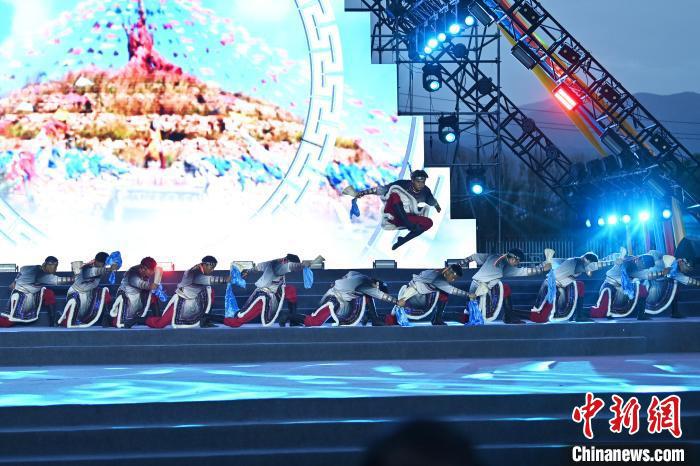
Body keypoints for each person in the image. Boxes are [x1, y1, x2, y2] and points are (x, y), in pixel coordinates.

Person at [347, 170, 441, 250]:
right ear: (412, 180)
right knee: (394, 195)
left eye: (423, 181)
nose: (421, 184)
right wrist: (362, 193)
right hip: (393, 213)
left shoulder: (425, 191)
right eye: (418, 181)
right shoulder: (401, 184)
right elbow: (382, 190)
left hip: (408, 216)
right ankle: (408, 224)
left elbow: (432, 201)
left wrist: (437, 206)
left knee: (429, 222)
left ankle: (403, 240)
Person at [223, 254, 324, 327]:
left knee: (290, 290)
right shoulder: (281, 266)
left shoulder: (273, 262)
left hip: (274, 292)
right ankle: (214, 318)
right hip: (263, 297)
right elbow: (292, 266)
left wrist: (248, 271)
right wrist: (306, 264)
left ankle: (293, 319)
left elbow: (257, 267)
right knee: (237, 322)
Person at [459, 248, 551, 324]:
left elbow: (525, 271)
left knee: (505, 289)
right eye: (518, 262)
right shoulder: (493, 257)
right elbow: (474, 257)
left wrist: (542, 268)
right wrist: (460, 264)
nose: (517, 264)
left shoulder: (507, 267)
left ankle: (509, 317)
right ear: (514, 259)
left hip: (487, 288)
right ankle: (463, 317)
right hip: (477, 287)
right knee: (471, 314)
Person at [146, 256, 229, 329]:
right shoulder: (194, 272)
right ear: (205, 265)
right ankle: (142, 320)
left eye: (213, 268)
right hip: (182, 299)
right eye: (211, 267)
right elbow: (204, 279)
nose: (212, 270)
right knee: (160, 324)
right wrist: (224, 279)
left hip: (195, 299)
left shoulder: (201, 271)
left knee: (210, 291)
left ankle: (206, 319)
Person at [304, 271, 397, 327]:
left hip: (345, 301)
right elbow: (380, 295)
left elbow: (349, 274)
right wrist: (396, 301)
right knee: (313, 322)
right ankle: (294, 317)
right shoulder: (366, 284)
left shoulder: (358, 276)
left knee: (366, 296)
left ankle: (374, 318)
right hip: (335, 299)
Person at [0, 256, 72, 327]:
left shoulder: (29, 268)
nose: (55, 269)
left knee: (48, 293)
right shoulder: (41, 275)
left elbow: (22, 271)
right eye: (53, 266)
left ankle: (53, 321)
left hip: (31, 291)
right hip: (22, 296)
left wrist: (15, 281)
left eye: (56, 266)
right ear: (46, 265)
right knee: (7, 322)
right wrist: (74, 279)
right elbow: (58, 281)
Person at [530, 252, 600, 323]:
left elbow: (555, 262)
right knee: (543, 315)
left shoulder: (574, 261)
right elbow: (584, 270)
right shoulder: (577, 263)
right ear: (586, 259)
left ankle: (578, 315)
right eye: (590, 264)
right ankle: (578, 316)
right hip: (553, 286)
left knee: (580, 285)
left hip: (557, 285)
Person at [388, 264, 467, 326]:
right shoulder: (438, 278)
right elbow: (453, 290)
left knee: (443, 294)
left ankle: (437, 319)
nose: (453, 280)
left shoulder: (441, 272)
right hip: (416, 297)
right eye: (453, 277)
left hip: (422, 293)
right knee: (401, 302)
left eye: (455, 279)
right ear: (449, 272)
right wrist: (468, 295)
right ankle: (392, 319)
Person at [57, 252, 119, 328]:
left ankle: (108, 317)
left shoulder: (102, 268)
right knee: (71, 318)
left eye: (105, 264)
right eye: (103, 263)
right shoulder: (86, 268)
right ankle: (61, 317)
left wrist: (116, 265)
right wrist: (108, 269)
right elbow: (91, 273)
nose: (104, 265)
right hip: (76, 293)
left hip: (89, 295)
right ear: (97, 261)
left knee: (104, 292)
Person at [589, 254, 656, 320]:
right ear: (641, 260)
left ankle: (641, 315)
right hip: (611, 287)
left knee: (642, 290)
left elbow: (637, 276)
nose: (643, 268)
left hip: (622, 289)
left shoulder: (636, 267)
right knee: (601, 311)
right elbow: (625, 275)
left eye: (645, 268)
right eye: (644, 266)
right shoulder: (627, 261)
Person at [104, 257, 161, 328]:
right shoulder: (133, 273)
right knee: (119, 322)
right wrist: (152, 285)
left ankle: (158, 320)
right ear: (145, 268)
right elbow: (140, 284)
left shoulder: (145, 272)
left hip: (138, 298)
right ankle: (108, 319)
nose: (153, 272)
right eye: (152, 270)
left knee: (153, 297)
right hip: (127, 298)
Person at [644, 254, 699, 319]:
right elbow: (663, 266)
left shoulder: (677, 273)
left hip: (661, 281)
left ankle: (675, 312)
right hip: (651, 276)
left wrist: (698, 283)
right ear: (681, 262)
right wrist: (665, 271)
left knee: (674, 290)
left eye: (689, 269)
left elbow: (686, 280)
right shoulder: (671, 259)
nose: (687, 270)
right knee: (650, 294)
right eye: (687, 267)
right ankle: (643, 313)